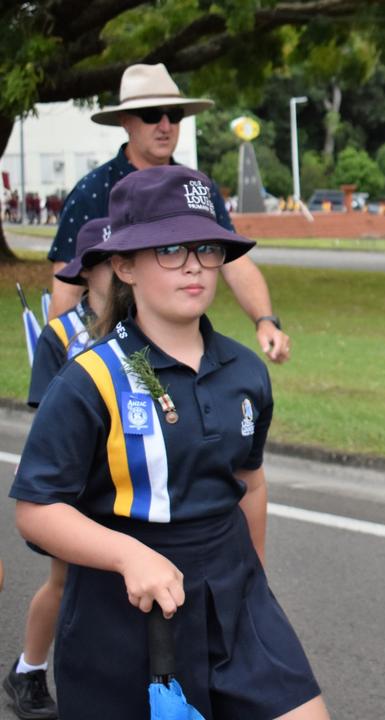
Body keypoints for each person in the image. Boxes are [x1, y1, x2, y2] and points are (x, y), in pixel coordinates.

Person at [8, 165, 328, 719]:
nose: (194, 266)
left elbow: (249, 483)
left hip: (236, 597)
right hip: (123, 614)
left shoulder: (246, 370)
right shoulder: (90, 379)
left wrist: (255, 581)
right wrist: (129, 554)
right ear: (124, 266)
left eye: (206, 247)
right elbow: (37, 510)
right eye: (171, 248)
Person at [47, 63, 292, 364]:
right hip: (110, 355)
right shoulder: (93, 191)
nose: (165, 125)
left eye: (173, 115)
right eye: (152, 115)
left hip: (181, 351)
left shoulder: (195, 187)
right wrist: (59, 362)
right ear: (126, 121)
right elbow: (66, 284)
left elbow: (233, 261)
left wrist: (265, 320)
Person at [3, 218, 112, 720]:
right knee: (66, 580)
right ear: (86, 272)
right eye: (108, 263)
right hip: (75, 482)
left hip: (126, 477)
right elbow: (46, 413)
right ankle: (29, 668)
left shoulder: (142, 330)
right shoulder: (61, 334)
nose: (120, 272)